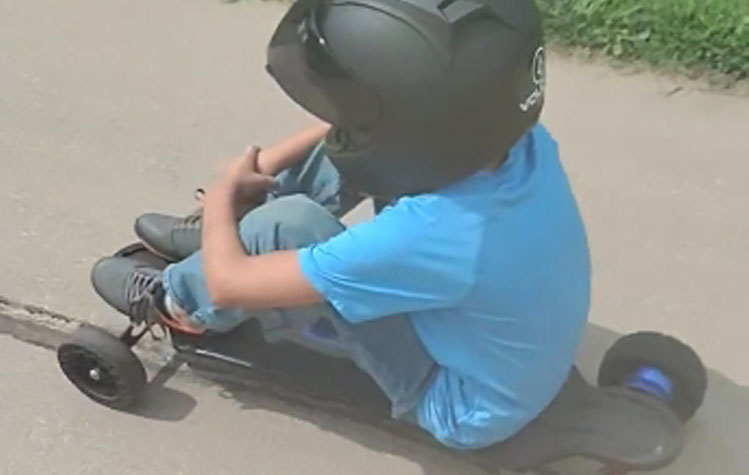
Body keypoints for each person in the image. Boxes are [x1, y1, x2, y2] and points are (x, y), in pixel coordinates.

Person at [92, 0, 591, 450]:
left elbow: (230, 282)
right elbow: (364, 129)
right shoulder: (510, 140)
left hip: (455, 401)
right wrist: (262, 166)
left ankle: (179, 302)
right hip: (504, 351)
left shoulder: (436, 232)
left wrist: (223, 195)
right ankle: (234, 229)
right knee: (368, 151)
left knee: (290, 226)